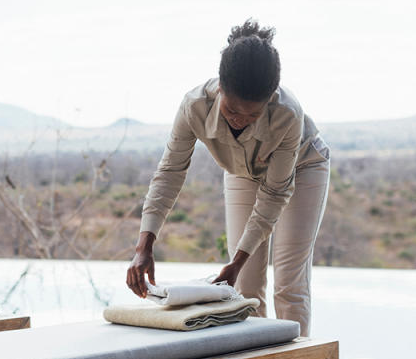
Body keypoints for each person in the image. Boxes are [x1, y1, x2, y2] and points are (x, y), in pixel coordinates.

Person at [126, 19, 331, 336]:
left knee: (289, 284)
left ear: (270, 98)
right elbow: (169, 172)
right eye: (233, 110)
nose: (241, 121)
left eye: (253, 114)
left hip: (302, 169)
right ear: (220, 88)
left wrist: (237, 260)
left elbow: (275, 195)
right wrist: (144, 245)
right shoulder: (194, 105)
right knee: (244, 288)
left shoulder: (289, 114)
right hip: (243, 173)